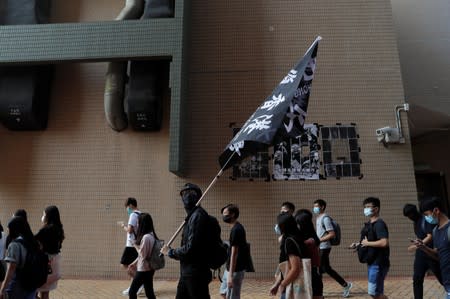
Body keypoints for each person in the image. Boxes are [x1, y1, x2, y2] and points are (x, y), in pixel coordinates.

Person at [161, 183, 212, 299]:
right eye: (184, 194)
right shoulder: (191, 216)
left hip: (196, 274)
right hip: (186, 273)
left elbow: (191, 248)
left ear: (198, 196)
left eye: (191, 193)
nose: (187, 196)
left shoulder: (198, 216)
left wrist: (170, 252)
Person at [350, 197, 390, 299]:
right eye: (365, 207)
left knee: (373, 292)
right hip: (372, 262)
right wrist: (358, 244)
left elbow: (384, 242)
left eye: (368, 207)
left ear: (376, 209)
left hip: (379, 263)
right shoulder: (369, 224)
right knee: (377, 292)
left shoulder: (379, 224)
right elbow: (368, 241)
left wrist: (367, 243)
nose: (366, 209)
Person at [313, 199, 352, 297]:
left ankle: (345, 285)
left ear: (322, 207)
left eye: (316, 206)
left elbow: (331, 234)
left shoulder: (325, 218)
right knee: (324, 268)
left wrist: (319, 241)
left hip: (325, 247)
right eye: (314, 206)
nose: (315, 208)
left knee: (322, 269)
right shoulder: (318, 218)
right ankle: (344, 285)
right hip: (320, 247)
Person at [403, 203, 442, 299]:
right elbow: (420, 237)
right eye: (408, 216)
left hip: (430, 253)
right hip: (421, 255)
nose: (410, 218)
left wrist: (417, 246)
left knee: (442, 278)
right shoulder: (415, 222)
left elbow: (430, 236)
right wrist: (417, 244)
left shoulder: (425, 220)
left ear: (414, 212)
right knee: (417, 279)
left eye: (410, 215)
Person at [413, 198, 450, 299]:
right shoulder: (435, 231)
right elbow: (439, 255)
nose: (426, 218)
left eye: (426, 214)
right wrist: (424, 248)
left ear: (436, 210)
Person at [0, 216, 37, 299]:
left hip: (18, 283)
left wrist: (3, 288)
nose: (7, 231)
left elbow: (11, 268)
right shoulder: (33, 242)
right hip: (32, 282)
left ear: (13, 229)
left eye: (8, 228)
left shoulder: (14, 245)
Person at [269, 213, 306, 297]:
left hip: (291, 285)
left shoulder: (290, 242)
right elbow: (286, 268)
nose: (276, 226)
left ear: (284, 226)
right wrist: (277, 284)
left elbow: (295, 268)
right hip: (290, 283)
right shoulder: (297, 237)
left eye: (278, 224)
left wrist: (283, 284)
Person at [35, 205, 65, 299]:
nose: (43, 216)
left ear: (48, 216)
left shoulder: (45, 229)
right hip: (54, 263)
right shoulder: (59, 230)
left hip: (44, 263)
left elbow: (32, 240)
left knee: (35, 290)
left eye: (44, 214)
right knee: (45, 291)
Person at [219, 204, 249, 299]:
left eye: (225, 213)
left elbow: (234, 254)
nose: (223, 216)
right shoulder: (235, 228)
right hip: (230, 268)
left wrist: (230, 275)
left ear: (232, 214)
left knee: (233, 296)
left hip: (236, 269)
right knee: (223, 293)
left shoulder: (237, 230)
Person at [127, 213, 158, 299]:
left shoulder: (146, 237)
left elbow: (142, 254)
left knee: (132, 292)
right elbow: (144, 253)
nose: (137, 225)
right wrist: (134, 263)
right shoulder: (152, 235)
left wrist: (135, 245)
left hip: (143, 269)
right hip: (149, 269)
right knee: (149, 293)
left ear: (142, 224)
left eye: (138, 223)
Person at [295, 209, 323, 299]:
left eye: (298, 223)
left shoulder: (310, 241)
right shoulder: (310, 237)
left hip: (311, 271)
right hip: (310, 270)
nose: (297, 226)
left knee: (315, 293)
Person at [119, 197, 143, 296]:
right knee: (133, 266)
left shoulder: (133, 215)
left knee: (125, 265)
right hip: (136, 244)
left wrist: (123, 225)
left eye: (127, 207)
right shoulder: (141, 214)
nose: (127, 209)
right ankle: (136, 284)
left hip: (131, 244)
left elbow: (130, 230)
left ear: (130, 205)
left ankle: (138, 283)